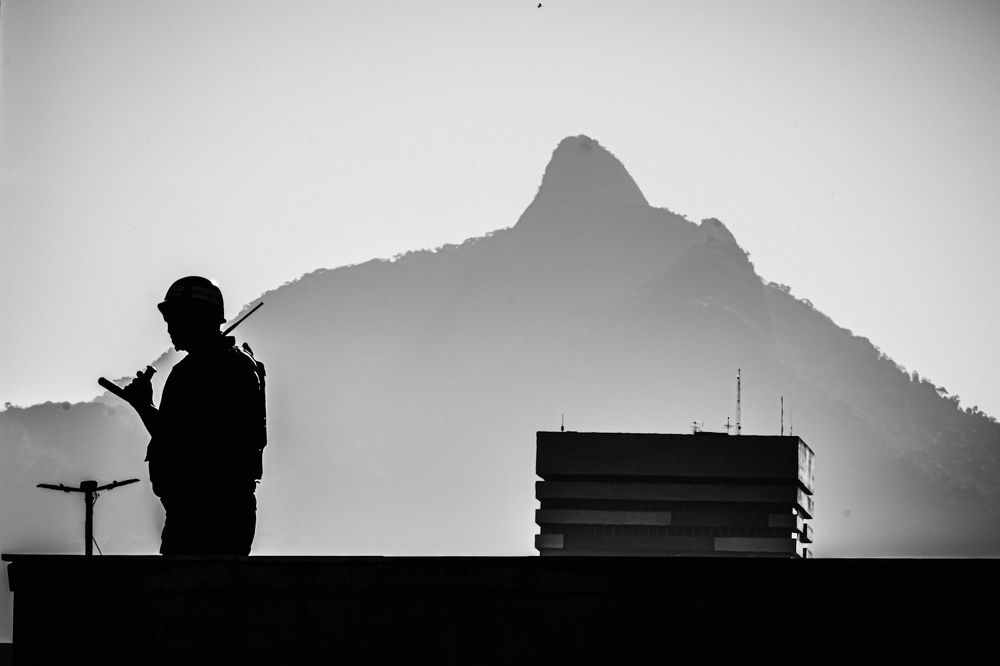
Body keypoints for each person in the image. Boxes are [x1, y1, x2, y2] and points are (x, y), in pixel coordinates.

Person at [121, 276, 266, 555]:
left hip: (205, 513)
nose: (170, 328)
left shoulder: (206, 370)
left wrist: (142, 405)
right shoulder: (232, 365)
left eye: (175, 318)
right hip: (214, 509)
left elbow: (182, 440)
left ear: (197, 318)